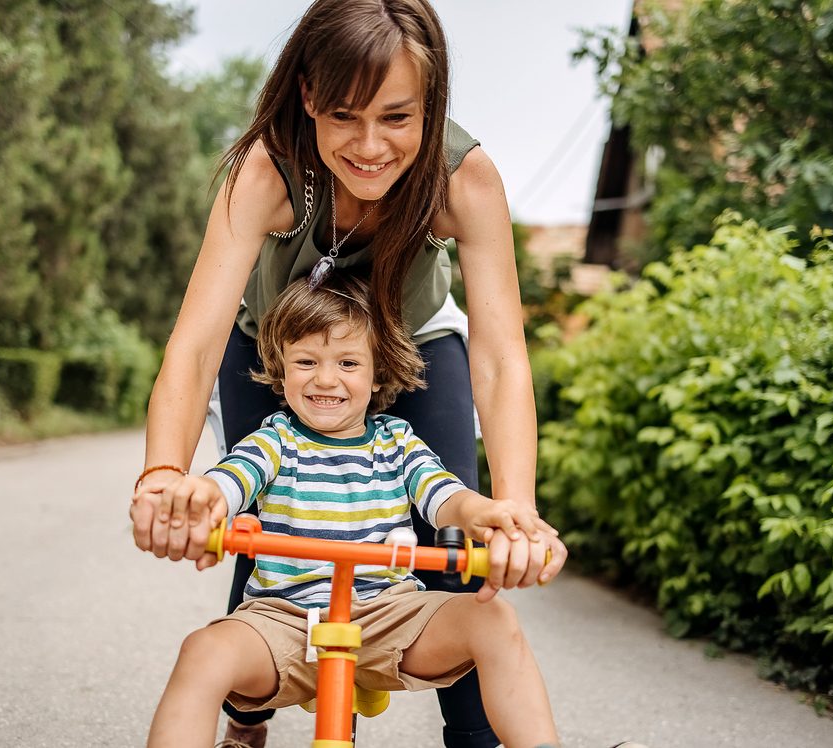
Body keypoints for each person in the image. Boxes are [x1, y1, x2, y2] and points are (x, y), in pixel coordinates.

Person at [130, 1, 568, 746]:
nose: (369, 146)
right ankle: (249, 712)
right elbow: (196, 343)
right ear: (307, 97)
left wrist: (514, 511)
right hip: (274, 341)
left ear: (430, 104)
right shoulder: (268, 172)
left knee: (463, 564)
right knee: (265, 518)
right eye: (344, 116)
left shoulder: (465, 181)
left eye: (397, 117)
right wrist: (163, 477)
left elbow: (499, 359)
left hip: (416, 340)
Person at [132, 275, 563, 748]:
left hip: (391, 613)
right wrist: (199, 498)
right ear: (281, 369)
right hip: (285, 618)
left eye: (348, 362)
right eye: (305, 361)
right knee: (203, 652)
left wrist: (482, 512)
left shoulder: (398, 443)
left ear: (378, 372)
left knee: (494, 622)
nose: (325, 378)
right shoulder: (273, 442)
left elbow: (444, 496)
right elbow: (230, 481)